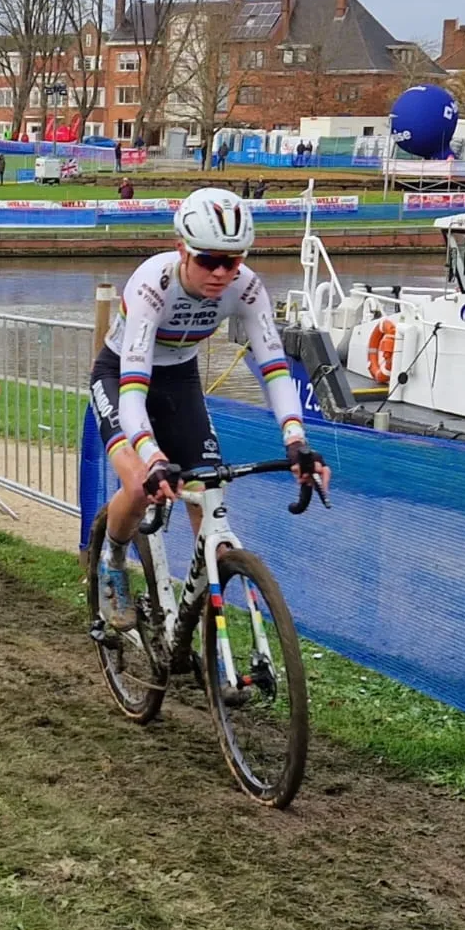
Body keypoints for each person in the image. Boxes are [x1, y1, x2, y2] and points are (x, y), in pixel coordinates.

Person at [89, 187, 329, 630]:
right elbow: (133, 389)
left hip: (180, 378)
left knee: (209, 490)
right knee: (142, 483)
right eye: (207, 260)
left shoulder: (247, 288)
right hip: (121, 374)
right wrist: (153, 456)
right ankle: (113, 560)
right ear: (182, 249)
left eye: (232, 260)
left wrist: (296, 439)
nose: (220, 272)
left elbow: (275, 367)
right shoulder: (152, 286)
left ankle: (204, 622)